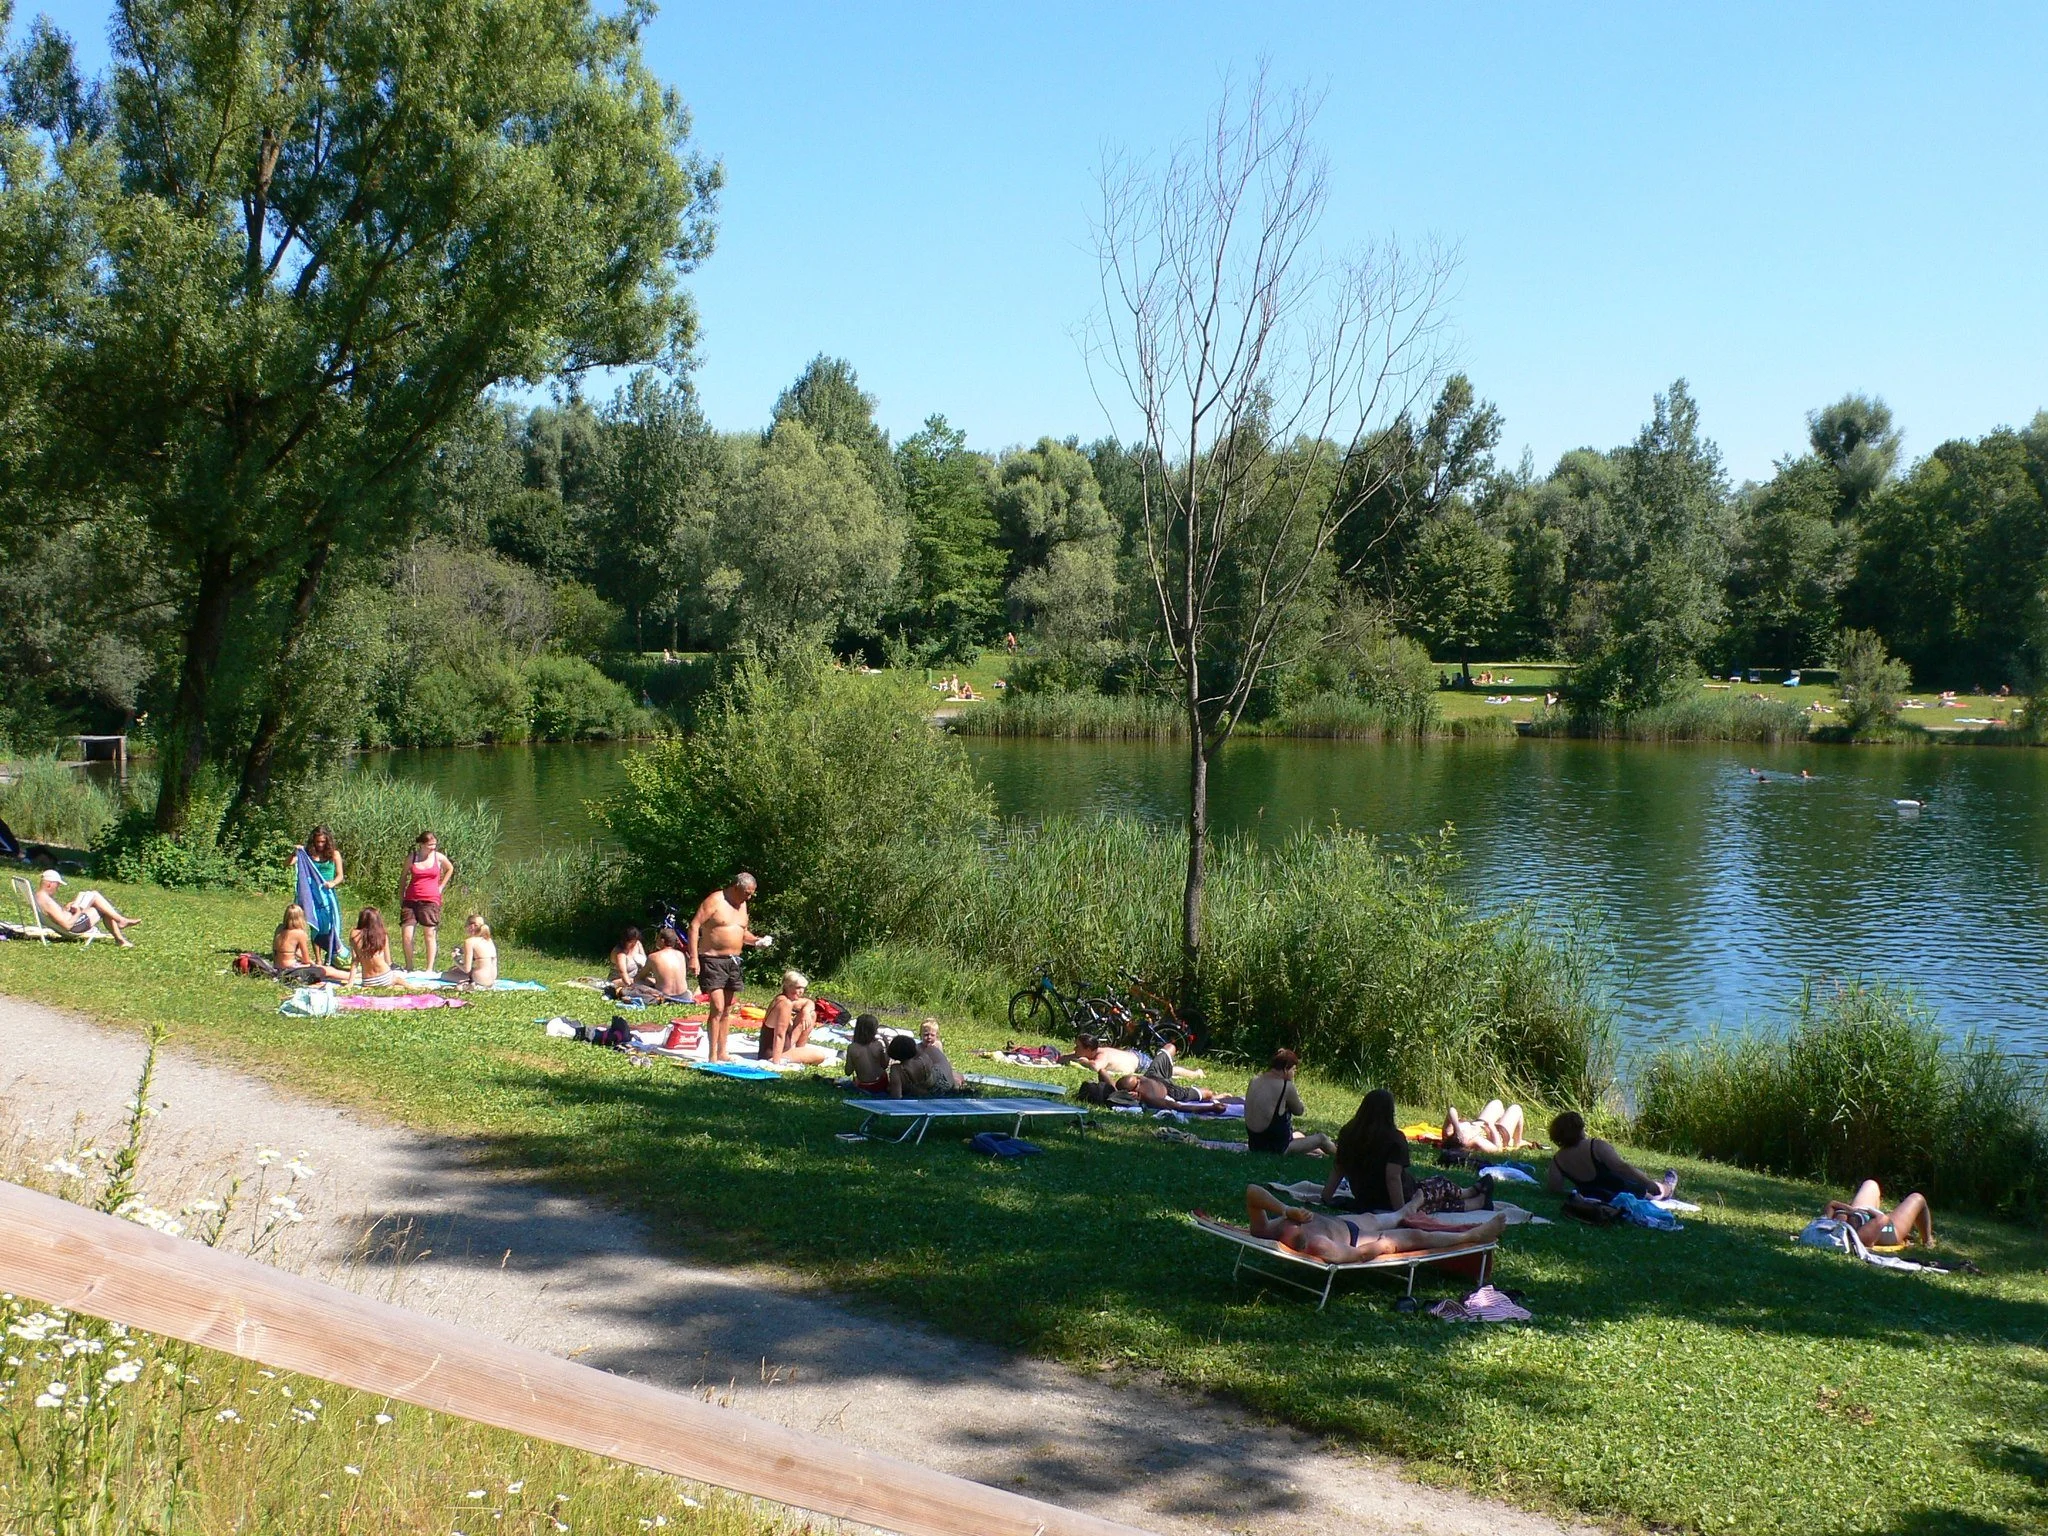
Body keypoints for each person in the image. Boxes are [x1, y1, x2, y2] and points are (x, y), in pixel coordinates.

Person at [1239, 1185, 1506, 1263]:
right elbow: (1357, 1255)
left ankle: (1405, 1209)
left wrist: (1287, 1209)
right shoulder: (1317, 1245)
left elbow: (1253, 1192)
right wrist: (1383, 1246)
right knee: (1414, 1236)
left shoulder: (1270, 1228)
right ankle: (1474, 1235)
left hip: (1343, 1223)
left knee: (1375, 1218)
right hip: (1358, 1240)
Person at [1325, 1089, 1492, 1212]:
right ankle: (1471, 1193)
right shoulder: (1393, 1139)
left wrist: (1326, 1196)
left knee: (1435, 1201)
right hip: (1397, 1198)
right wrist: (1400, 1212)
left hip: (1365, 1197)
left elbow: (1338, 1168)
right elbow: (1392, 1177)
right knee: (1439, 1184)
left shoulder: (1348, 1133)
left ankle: (1477, 1200)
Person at [688, 873, 773, 1062]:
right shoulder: (715, 900)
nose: (749, 897)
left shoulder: (742, 904)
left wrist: (758, 941)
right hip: (712, 959)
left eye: (751, 894)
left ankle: (722, 1052)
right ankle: (711, 1055)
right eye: (746, 893)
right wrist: (693, 957)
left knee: (727, 1009)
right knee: (717, 1007)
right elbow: (694, 926)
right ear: (735, 887)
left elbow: (740, 931)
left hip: (733, 961)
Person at [1545, 1111, 1677, 1201]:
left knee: (1640, 1180)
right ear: (1580, 1129)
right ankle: (1667, 1188)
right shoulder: (1595, 1146)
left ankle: (1661, 1185)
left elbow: (1554, 1188)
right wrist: (1647, 1182)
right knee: (1651, 1187)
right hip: (1622, 1191)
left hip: (1592, 1195)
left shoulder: (1558, 1160)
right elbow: (1621, 1167)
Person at [1243, 1050, 1334, 1156]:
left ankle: (1324, 1153)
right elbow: (1299, 1111)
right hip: (1277, 1148)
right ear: (1286, 1068)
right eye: (1294, 1070)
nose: (1294, 1074)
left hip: (1255, 1144)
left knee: (1299, 1135)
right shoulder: (1286, 1086)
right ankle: (1345, 1157)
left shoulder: (1255, 1080)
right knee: (1321, 1139)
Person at [398, 831, 455, 973]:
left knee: (429, 934)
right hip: (411, 899)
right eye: (430, 845)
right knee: (407, 935)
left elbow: (450, 868)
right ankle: (409, 966)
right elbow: (404, 876)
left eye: (434, 845)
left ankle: (429, 968)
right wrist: (401, 895)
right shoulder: (413, 857)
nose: (433, 848)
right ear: (422, 844)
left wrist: (441, 886)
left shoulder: (438, 857)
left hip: (430, 900)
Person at [32, 871, 139, 946]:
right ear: (50, 884)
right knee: (99, 902)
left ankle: (120, 932)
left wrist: (67, 908)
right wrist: (78, 912)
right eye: (58, 885)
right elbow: (67, 926)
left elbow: (57, 915)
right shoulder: (46, 901)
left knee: (86, 894)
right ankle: (120, 928)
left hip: (70, 918)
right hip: (74, 926)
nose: (58, 888)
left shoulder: (39, 896)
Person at [1823, 1180, 1933, 1250]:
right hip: (1886, 1230)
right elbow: (1883, 1219)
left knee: (1870, 1183)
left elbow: (1832, 1204)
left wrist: (1851, 1210)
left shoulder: (1830, 1224)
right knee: (1918, 1198)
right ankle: (1928, 1241)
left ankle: (1904, 1226)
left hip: (1862, 1212)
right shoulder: (1859, 1236)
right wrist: (1871, 1211)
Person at [759, 971, 834, 1066]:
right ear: (787, 986)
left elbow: (809, 1002)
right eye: (798, 988)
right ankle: (791, 1055)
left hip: (786, 1045)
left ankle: (799, 1049)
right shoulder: (785, 1004)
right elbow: (779, 1035)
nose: (801, 991)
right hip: (773, 1053)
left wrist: (806, 1012)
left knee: (811, 1014)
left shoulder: (785, 999)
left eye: (803, 988)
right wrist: (775, 1062)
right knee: (819, 1056)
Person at [274, 904, 348, 983]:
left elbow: (288, 951)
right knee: (326, 970)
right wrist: (313, 964)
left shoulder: (279, 928)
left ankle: (352, 975)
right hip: (290, 971)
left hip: (278, 968)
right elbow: (306, 959)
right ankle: (353, 976)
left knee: (323, 969)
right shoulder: (300, 934)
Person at [1112, 1073, 1237, 1113]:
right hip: (1172, 1091)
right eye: (1138, 1083)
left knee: (1169, 1047)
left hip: (1154, 1074)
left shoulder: (1142, 1079)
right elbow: (1179, 1107)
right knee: (1207, 1093)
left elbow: (1102, 1072)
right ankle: (1216, 1097)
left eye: (1138, 1077)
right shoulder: (1150, 1097)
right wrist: (1211, 1108)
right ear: (1134, 1092)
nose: (1140, 1079)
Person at [1441, 1100, 1531, 1152]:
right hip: (1498, 1133)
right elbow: (1497, 1148)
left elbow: (1451, 1110)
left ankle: (1502, 1121)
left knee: (1497, 1103)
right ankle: (1517, 1142)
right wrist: (1492, 1127)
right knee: (1516, 1108)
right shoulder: (1474, 1141)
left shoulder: (1449, 1133)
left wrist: (1457, 1130)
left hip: (1481, 1123)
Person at [887, 1034, 954, 1098]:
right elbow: (929, 1064)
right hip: (940, 1087)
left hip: (922, 1092)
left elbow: (896, 1095)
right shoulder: (923, 1059)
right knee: (935, 1055)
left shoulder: (896, 1069)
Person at [441, 914, 499, 988]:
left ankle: (468, 982)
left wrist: (456, 959)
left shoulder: (469, 942)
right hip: (492, 978)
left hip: (480, 980)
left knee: (444, 975)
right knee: (454, 969)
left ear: (471, 927)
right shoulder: (488, 940)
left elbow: (466, 969)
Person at [638, 928, 694, 1001]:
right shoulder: (681, 955)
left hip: (665, 997)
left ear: (662, 941)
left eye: (657, 938)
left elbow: (639, 978)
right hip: (684, 996)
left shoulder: (653, 957)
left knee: (636, 986)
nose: (656, 940)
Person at [1062, 1035, 1148, 1079]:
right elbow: (1067, 1057)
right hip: (1131, 1054)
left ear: (1088, 1049)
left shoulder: (1102, 1055)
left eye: (1077, 1047)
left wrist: (1085, 1062)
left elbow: (1096, 1067)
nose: (1075, 1049)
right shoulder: (1090, 1052)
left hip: (1141, 1063)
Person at [349, 907, 396, 986]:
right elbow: (388, 961)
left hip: (368, 981)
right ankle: (410, 986)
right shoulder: (382, 934)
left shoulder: (354, 934)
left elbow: (355, 960)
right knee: (397, 980)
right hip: (386, 977)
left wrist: (350, 983)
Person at [845, 1014, 891, 1094]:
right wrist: (887, 1045)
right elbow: (885, 1065)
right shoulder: (878, 1045)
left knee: (855, 1080)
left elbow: (848, 1072)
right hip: (881, 1083)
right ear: (874, 1030)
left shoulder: (852, 1048)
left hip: (864, 1086)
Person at [917, 1019, 966, 1090]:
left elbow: (942, 1061)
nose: (929, 1037)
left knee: (958, 1076)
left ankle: (960, 1088)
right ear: (920, 1035)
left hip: (940, 1070)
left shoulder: (937, 1045)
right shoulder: (918, 1048)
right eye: (926, 1035)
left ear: (937, 1036)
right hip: (929, 1074)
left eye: (932, 1035)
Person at [301, 826, 345, 892]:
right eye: (317, 841)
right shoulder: (307, 854)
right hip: (310, 891)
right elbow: (287, 863)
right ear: (313, 841)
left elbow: (340, 876)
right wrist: (295, 852)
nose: (320, 844)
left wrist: (333, 883)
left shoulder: (335, 854)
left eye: (323, 841)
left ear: (327, 841)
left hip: (327, 890)